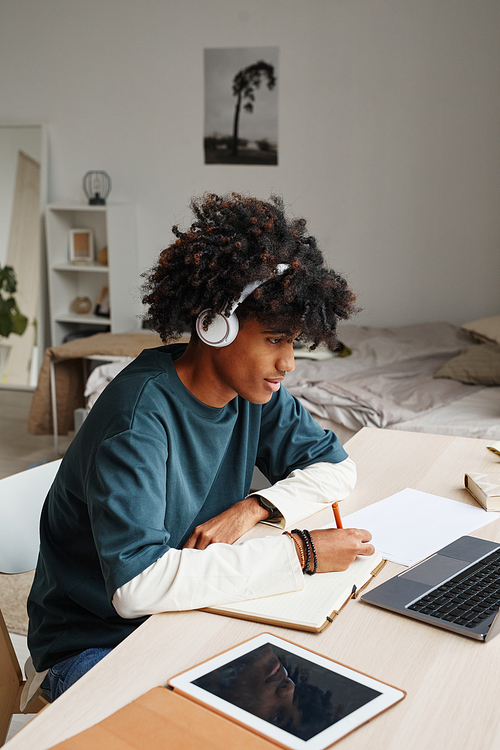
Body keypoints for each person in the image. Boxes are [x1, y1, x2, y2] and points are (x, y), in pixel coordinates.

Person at [27, 192, 374, 701]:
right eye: (275, 340)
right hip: (96, 643)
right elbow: (136, 587)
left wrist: (254, 507)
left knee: (323, 685)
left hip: (184, 611)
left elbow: (337, 468)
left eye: (293, 342)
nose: (289, 363)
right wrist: (299, 552)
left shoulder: (252, 392)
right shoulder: (136, 419)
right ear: (216, 324)